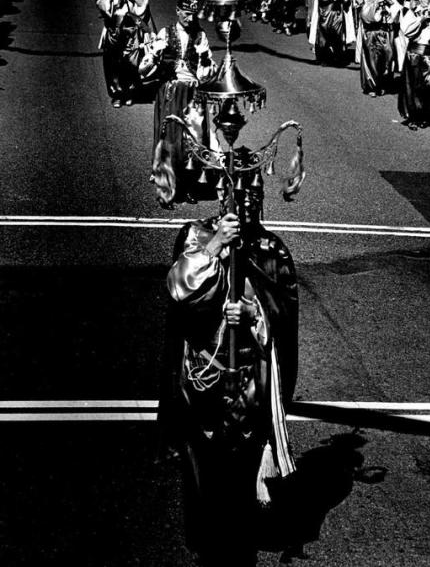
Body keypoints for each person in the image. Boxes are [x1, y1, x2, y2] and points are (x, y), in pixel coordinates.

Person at [160, 174, 299, 567]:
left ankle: (238, 548)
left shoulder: (272, 249)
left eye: (255, 194)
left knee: (240, 482)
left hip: (249, 387)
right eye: (237, 193)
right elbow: (178, 291)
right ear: (221, 194)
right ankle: (208, 547)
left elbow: (285, 319)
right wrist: (216, 247)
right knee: (201, 478)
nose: (246, 201)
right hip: (201, 381)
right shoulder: (195, 235)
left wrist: (257, 316)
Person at [150, 0, 217, 207]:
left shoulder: (200, 35)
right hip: (171, 92)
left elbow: (206, 74)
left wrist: (205, 59)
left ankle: (190, 186)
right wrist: (155, 56)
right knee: (169, 141)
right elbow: (147, 68)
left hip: (192, 92)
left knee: (194, 141)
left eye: (194, 15)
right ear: (178, 11)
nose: (190, 19)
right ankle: (167, 191)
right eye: (187, 14)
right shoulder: (165, 33)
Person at [96, 0, 155, 107]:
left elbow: (144, 5)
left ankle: (129, 92)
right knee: (113, 65)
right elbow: (102, 4)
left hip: (131, 34)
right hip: (114, 33)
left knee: (131, 64)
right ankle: (117, 94)